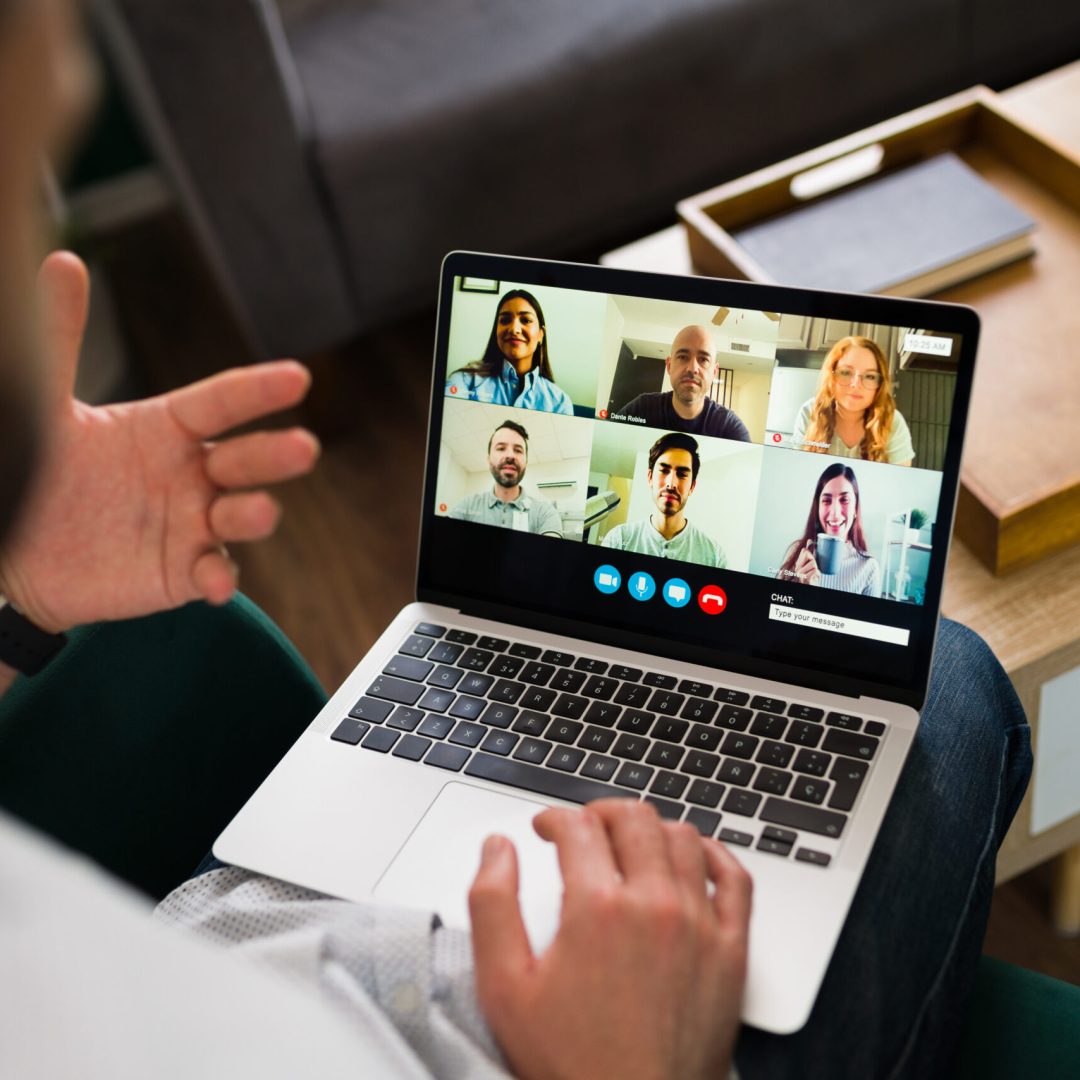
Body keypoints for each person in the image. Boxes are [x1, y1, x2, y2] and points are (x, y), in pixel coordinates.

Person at [0, 4, 1037, 1079]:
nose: (72, 87)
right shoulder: (621, 453)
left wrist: (16, 605)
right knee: (954, 681)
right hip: (617, 1046)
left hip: (266, 926)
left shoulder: (718, 440)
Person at [602, 432, 727, 567]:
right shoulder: (618, 539)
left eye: (682, 474)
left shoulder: (714, 555)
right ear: (650, 477)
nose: (671, 483)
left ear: (692, 486)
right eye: (664, 471)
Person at [445, 290, 574, 415]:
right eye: (505, 320)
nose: (514, 329)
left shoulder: (560, 403)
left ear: (540, 334)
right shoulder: (464, 382)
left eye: (526, 320)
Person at [792, 336, 914, 465]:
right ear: (831, 376)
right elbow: (799, 468)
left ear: (880, 384)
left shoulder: (892, 421)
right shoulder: (810, 412)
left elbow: (898, 480)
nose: (856, 384)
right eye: (845, 372)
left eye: (870, 376)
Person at [615, 325, 750, 441]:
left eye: (703, 359)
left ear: (714, 372)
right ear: (669, 366)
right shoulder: (641, 408)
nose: (692, 368)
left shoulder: (730, 427)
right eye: (683, 357)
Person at [776, 463, 881, 596]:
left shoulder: (869, 568)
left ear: (855, 509)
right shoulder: (797, 552)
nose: (835, 513)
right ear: (817, 508)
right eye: (826, 500)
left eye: (844, 500)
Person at [448, 419, 563, 537]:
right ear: (489, 460)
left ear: (526, 462)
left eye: (518, 450)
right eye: (501, 448)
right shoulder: (466, 505)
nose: (510, 455)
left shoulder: (545, 513)